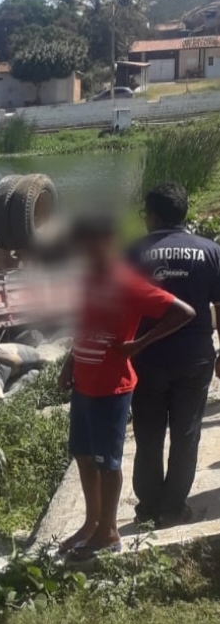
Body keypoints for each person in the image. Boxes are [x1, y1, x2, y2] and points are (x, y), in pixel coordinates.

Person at [58, 214, 194, 561]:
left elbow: (183, 311)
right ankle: (91, 524)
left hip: (112, 389)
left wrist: (140, 344)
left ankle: (109, 531)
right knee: (84, 455)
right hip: (84, 385)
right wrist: (68, 365)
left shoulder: (127, 283)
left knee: (108, 461)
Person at [127, 182, 220, 528]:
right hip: (195, 359)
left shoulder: (133, 252)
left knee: (149, 433)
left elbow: (121, 309)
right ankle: (172, 508)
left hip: (146, 358)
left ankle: (148, 507)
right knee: (186, 433)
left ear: (152, 215)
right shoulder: (210, 251)